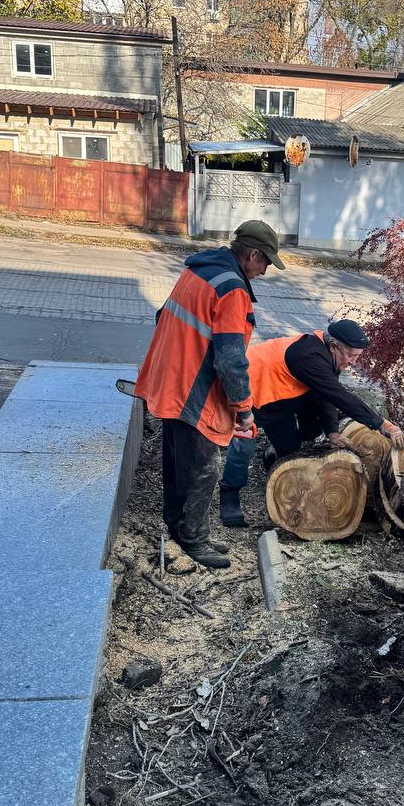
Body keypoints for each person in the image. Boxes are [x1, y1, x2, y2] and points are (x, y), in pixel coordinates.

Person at [134, 219, 284, 568]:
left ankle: (180, 527)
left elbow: (162, 316)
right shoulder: (232, 289)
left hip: (169, 382)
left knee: (176, 462)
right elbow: (231, 360)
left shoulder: (199, 271)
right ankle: (193, 539)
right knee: (204, 469)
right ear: (251, 255)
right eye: (265, 263)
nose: (264, 271)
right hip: (193, 394)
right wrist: (244, 409)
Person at [219, 319, 404, 526]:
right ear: (334, 346)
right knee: (243, 448)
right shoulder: (309, 356)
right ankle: (229, 496)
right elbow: (338, 395)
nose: (353, 362)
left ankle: (274, 468)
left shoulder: (329, 357)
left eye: (357, 357)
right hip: (247, 397)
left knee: (290, 447)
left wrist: (332, 431)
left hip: (279, 400)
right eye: (351, 355)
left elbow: (325, 394)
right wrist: (382, 424)